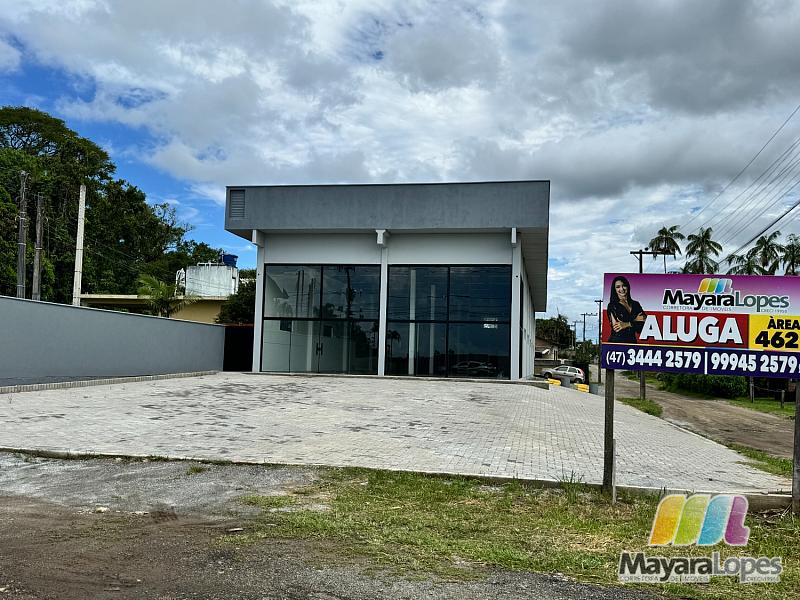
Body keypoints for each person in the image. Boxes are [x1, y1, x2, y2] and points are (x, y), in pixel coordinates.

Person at [606, 275, 646, 343]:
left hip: (632, 343)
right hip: (616, 343)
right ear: (614, 289)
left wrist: (627, 324)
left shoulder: (636, 304)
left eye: (624, 285)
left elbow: (644, 324)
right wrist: (635, 320)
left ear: (628, 286)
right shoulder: (612, 305)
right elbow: (617, 328)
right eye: (618, 287)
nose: (622, 289)